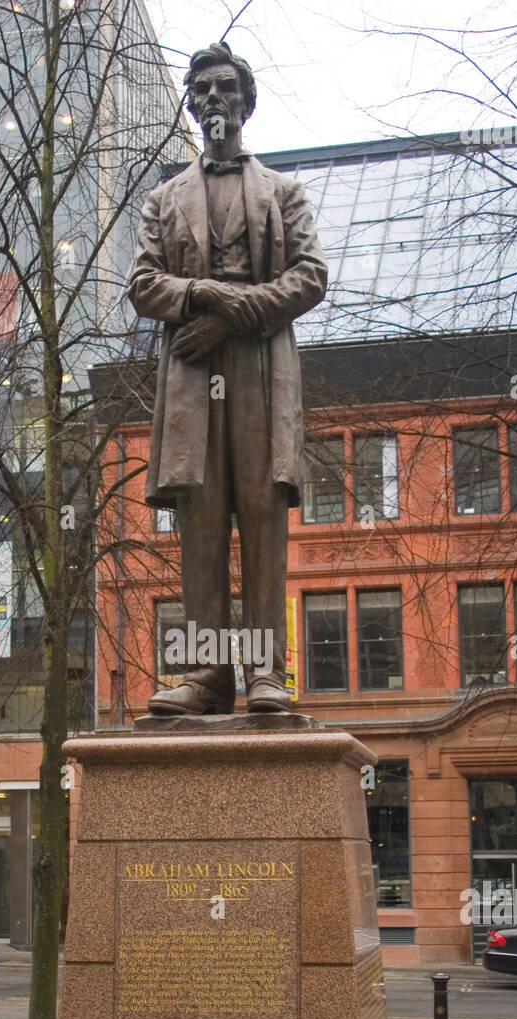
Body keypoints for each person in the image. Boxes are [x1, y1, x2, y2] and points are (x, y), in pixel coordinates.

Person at [129, 40, 327, 714]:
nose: (214, 98)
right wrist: (211, 300)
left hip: (261, 369)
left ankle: (266, 673)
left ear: (245, 102)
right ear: (192, 104)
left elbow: (310, 276)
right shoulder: (164, 199)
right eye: (203, 89)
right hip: (193, 370)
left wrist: (239, 313)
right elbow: (143, 283)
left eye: (225, 88)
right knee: (204, 521)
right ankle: (209, 674)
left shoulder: (283, 192)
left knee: (263, 513)